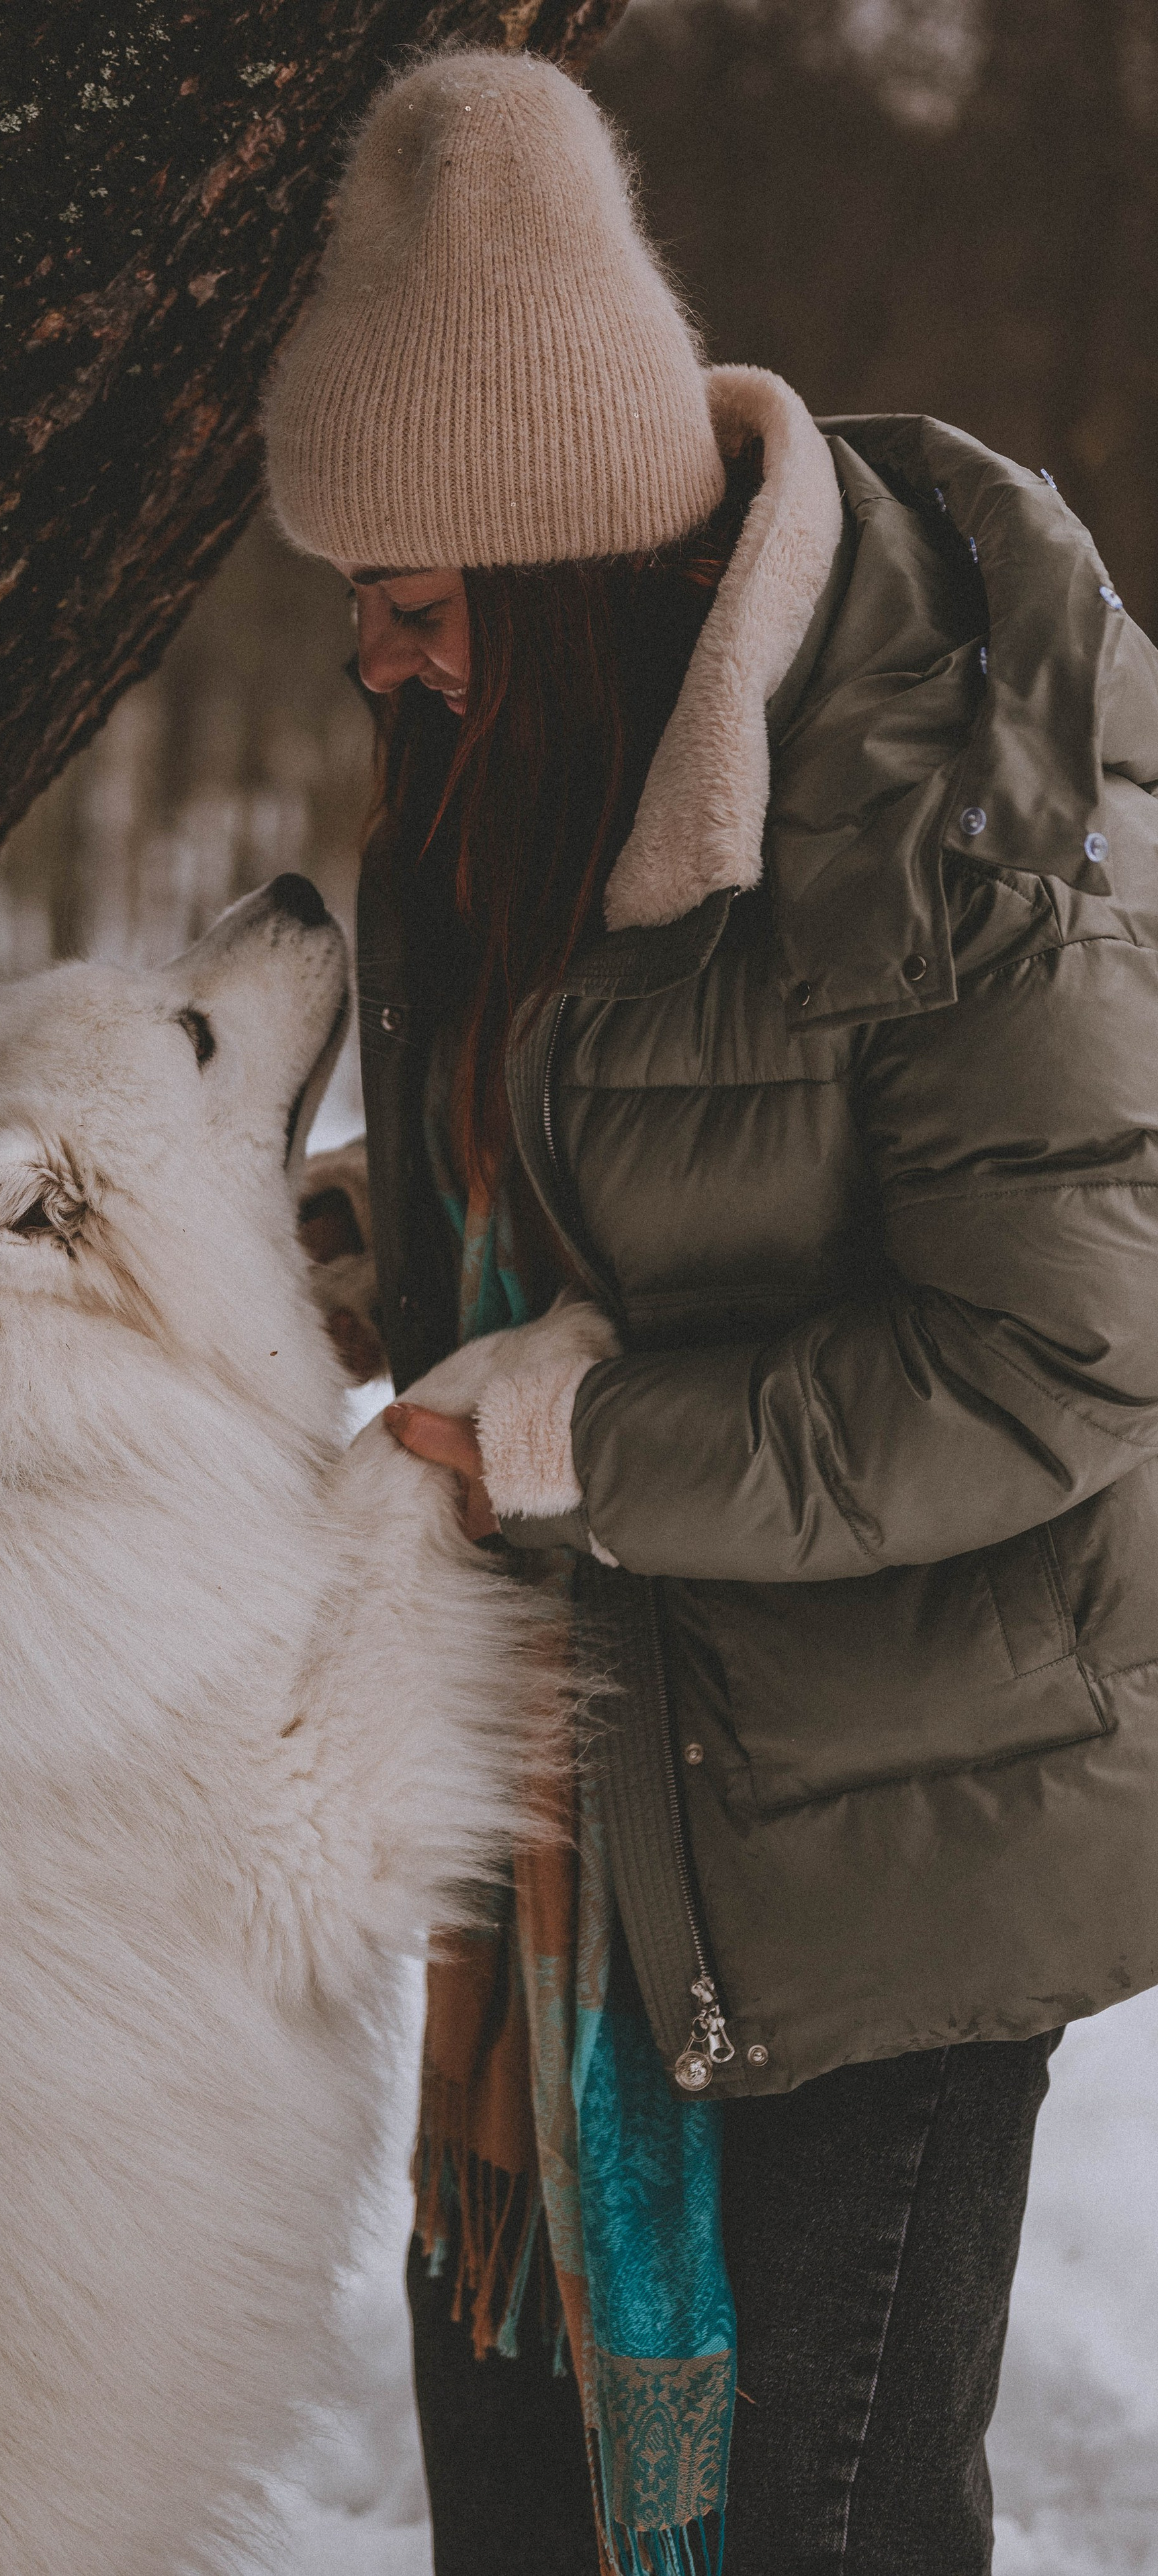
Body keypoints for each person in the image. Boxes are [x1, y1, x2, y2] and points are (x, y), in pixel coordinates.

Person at [263, 46, 1158, 2576]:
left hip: (881, 1858)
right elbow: (570, 1166)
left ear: (558, 572)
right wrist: (346, 1259)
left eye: (417, 604)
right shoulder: (498, 771)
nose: (375, 658)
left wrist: (592, 1433)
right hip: (568, 1845)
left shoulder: (968, 802)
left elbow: (1063, 1353)